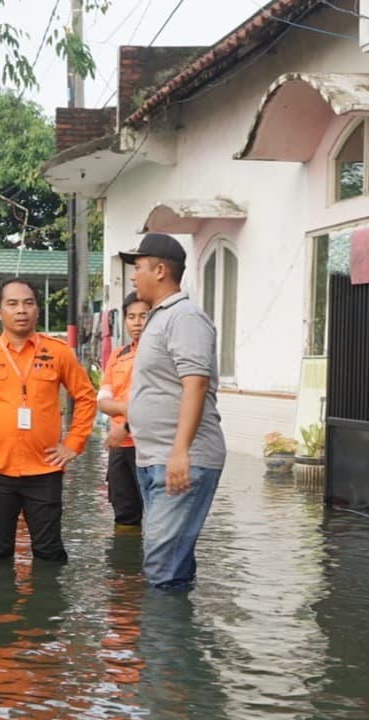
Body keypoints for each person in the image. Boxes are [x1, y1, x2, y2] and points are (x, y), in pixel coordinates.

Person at [0, 278, 97, 562]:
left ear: (37, 310)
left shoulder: (57, 352)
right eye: (12, 303)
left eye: (28, 303)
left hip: (44, 468)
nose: (21, 310)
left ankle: (46, 606)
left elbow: (85, 397)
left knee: (49, 551)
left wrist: (73, 443)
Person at [119, 232, 226, 590]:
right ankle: (175, 642)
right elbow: (160, 387)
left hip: (181, 459)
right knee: (172, 563)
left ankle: (162, 644)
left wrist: (180, 451)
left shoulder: (185, 317)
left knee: (161, 566)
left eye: (138, 267)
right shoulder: (158, 318)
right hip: (155, 457)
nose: (133, 276)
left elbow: (194, 384)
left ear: (160, 270)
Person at [99, 292, 151, 527]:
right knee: (123, 513)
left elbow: (158, 403)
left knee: (155, 512)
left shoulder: (160, 354)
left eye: (143, 316)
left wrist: (127, 421)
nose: (137, 322)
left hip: (150, 446)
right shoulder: (118, 355)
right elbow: (102, 400)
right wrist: (125, 410)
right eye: (131, 317)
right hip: (119, 446)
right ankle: (125, 563)